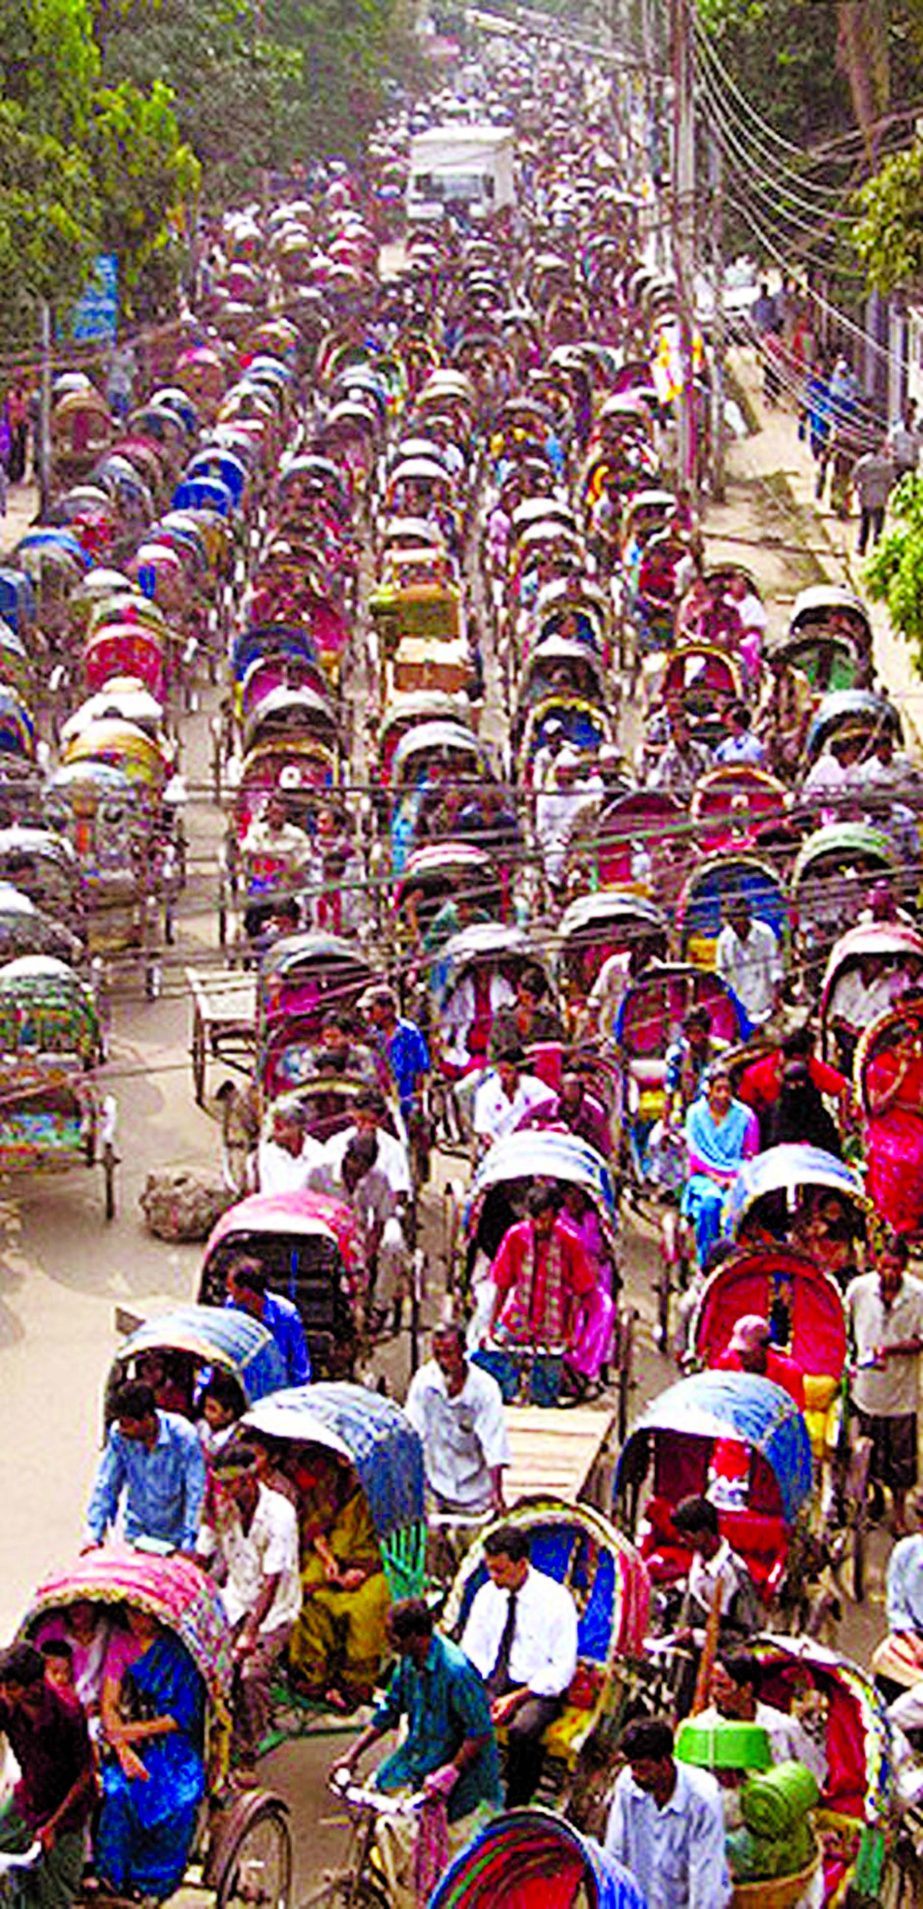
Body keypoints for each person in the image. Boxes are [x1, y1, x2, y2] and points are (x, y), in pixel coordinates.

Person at [330, 1598, 500, 1909]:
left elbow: (480, 1733)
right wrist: (352, 1755)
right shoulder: (408, 1663)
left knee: (431, 1850)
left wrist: (451, 1771)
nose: (388, 1642)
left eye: (392, 1636)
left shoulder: (456, 1671)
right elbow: (389, 1711)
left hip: (460, 1775)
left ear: (414, 1637)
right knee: (372, 1800)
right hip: (417, 1758)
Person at [196, 1445, 301, 1781]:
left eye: (233, 1484)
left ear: (251, 1477)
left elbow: (272, 1581)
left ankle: (247, 1751)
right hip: (234, 1600)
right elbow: (201, 1556)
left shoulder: (279, 1513)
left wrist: (249, 1634)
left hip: (274, 1612)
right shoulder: (221, 1508)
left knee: (250, 1674)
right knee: (205, 1663)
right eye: (221, 1485)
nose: (227, 1492)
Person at [460, 1524, 578, 1806]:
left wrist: (516, 1698)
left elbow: (561, 1669)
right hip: (494, 1681)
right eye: (490, 1569)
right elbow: (472, 1651)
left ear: (522, 1564)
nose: (493, 1577)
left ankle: (516, 1803)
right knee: (459, 1711)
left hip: (536, 1690)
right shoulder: (488, 1594)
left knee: (523, 1731)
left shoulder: (556, 1600)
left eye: (500, 1570)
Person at [96, 1606, 205, 1900]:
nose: (136, 1621)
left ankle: (153, 1884)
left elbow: (184, 1714)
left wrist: (135, 1732)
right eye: (131, 1614)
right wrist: (122, 1747)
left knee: (179, 1800)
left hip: (172, 1742)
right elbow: (109, 1703)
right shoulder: (120, 1643)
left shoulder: (180, 1650)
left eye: (142, 1614)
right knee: (118, 1793)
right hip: (127, 1741)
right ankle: (111, 1878)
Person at [287, 1449, 390, 1709]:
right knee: (304, 1592)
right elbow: (315, 1527)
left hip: (377, 1564)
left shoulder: (386, 1491)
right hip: (332, 1554)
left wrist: (364, 1572)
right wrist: (329, 1560)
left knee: (363, 1609)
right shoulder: (329, 1480)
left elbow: (393, 1540)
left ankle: (354, 1686)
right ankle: (314, 1677)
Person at [0, 1640, 94, 1909]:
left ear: (34, 1685)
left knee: (55, 1895)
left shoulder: (67, 1712)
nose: (4, 1693)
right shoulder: (7, 1704)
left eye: (11, 1687)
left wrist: (53, 1825)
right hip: (28, 1797)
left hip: (67, 1810)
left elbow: (85, 1774)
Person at [605, 1714, 732, 1908]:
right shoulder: (628, 1785)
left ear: (665, 1762)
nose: (636, 1776)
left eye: (643, 1769)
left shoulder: (702, 1798)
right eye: (633, 1767)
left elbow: (707, 1876)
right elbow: (615, 1852)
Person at [847, 1235, 923, 1534]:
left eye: (896, 1267)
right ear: (877, 1263)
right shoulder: (858, 1290)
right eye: (885, 1266)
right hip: (865, 1390)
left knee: (902, 1462)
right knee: (869, 1456)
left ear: (905, 1266)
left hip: (902, 1393)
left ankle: (900, 1512)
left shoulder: (917, 1296)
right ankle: (876, 1499)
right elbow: (847, 1330)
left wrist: (892, 1349)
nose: (890, 1273)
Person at [84, 1380, 206, 1556]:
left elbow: (196, 1492)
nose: (123, 1430)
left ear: (147, 1418)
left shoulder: (184, 1437)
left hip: (175, 1539)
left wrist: (189, 1543)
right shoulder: (119, 1436)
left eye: (128, 1424)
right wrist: (93, 1535)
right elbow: (106, 1484)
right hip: (137, 1535)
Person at [405, 1323, 509, 1517]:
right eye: (438, 1355)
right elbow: (412, 1431)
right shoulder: (424, 1382)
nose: (444, 1362)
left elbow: (495, 1444)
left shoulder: (484, 1388)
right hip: (434, 1485)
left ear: (463, 1351)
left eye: (449, 1354)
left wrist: (497, 1494)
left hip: (475, 1492)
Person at [486, 1185, 597, 1352]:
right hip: (517, 1320)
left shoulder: (570, 1242)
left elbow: (578, 1293)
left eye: (545, 1220)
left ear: (556, 1217)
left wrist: (569, 1333)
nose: (539, 1226)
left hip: (554, 1326)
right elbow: (503, 1283)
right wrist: (493, 1326)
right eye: (535, 1220)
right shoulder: (515, 1236)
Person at [695, 1653, 826, 1783]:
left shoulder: (782, 1728)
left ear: (746, 1689)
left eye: (722, 1686)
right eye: (712, 1685)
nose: (714, 1693)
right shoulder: (703, 1727)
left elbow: (815, 1774)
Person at [681, 1066, 759, 1267]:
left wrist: (734, 1178)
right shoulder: (694, 1114)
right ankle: (706, 1260)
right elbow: (694, 1153)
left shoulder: (746, 1116)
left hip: (736, 1177)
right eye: (718, 1089)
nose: (723, 1095)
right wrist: (714, 1177)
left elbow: (750, 1155)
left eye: (727, 1090)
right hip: (704, 1177)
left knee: (737, 1210)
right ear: (709, 1090)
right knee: (711, 1203)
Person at [672, 1496, 761, 1644]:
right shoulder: (697, 1565)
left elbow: (748, 1636)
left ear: (705, 1533)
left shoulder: (735, 1574)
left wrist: (698, 1637)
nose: (681, 1541)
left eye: (686, 1536)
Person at [863, 1015, 923, 1236]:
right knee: (895, 1155)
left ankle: (914, 1216)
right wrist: (899, 1077)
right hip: (885, 1123)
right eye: (905, 1046)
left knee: (918, 1153)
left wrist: (902, 1104)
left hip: (912, 1122)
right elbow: (876, 1106)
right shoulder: (878, 1068)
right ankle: (890, 1216)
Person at [225, 1257, 311, 1387]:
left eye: (231, 1286)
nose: (228, 1291)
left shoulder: (286, 1315)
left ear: (246, 1291)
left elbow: (299, 1367)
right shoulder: (232, 1307)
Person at [359, 985, 430, 1126]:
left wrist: (418, 1099)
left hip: (407, 1094)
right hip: (384, 1098)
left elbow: (421, 1069)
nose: (367, 1015)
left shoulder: (408, 1032)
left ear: (387, 1009)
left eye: (371, 1009)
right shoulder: (373, 1036)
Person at [715, 894, 784, 1028]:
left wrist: (776, 1000)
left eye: (737, 919)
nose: (735, 925)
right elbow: (723, 975)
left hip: (766, 1003)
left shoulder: (765, 934)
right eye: (730, 921)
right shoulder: (724, 940)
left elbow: (775, 970)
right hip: (741, 1008)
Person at [713, 1314, 806, 1408]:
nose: (741, 1358)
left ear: (765, 1348)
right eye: (739, 1352)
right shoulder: (726, 1362)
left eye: (747, 1352)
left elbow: (795, 1411)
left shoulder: (789, 1371)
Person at [472, 1046, 553, 1148]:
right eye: (500, 1071)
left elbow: (551, 1105)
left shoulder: (534, 1086)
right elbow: (484, 1130)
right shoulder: (486, 1092)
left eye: (508, 1071)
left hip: (531, 1145)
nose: (503, 1076)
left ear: (519, 1072)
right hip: (498, 1148)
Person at [256, 1102, 326, 1195]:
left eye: (279, 1127)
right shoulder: (265, 1154)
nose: (274, 1132)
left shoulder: (319, 1155)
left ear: (297, 1127)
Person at [540, 1069, 611, 1156]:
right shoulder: (547, 1106)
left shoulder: (593, 1110)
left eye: (575, 1087)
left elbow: (602, 1136)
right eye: (569, 1087)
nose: (572, 1091)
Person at [650, 706, 713, 800]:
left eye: (685, 731)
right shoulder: (668, 757)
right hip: (677, 798)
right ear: (673, 735)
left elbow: (709, 776)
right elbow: (666, 785)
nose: (683, 735)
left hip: (700, 796)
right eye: (679, 732)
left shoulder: (702, 751)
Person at [852, 437, 893, 553]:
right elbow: (890, 480)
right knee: (878, 524)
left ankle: (861, 546)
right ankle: (877, 546)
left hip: (866, 495)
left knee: (865, 522)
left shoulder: (863, 462)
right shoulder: (886, 464)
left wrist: (856, 490)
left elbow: (855, 477)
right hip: (880, 496)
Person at [714, 702, 766, 767]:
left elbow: (754, 763)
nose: (727, 724)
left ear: (738, 723)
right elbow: (716, 760)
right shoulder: (726, 744)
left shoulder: (753, 743)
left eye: (730, 721)